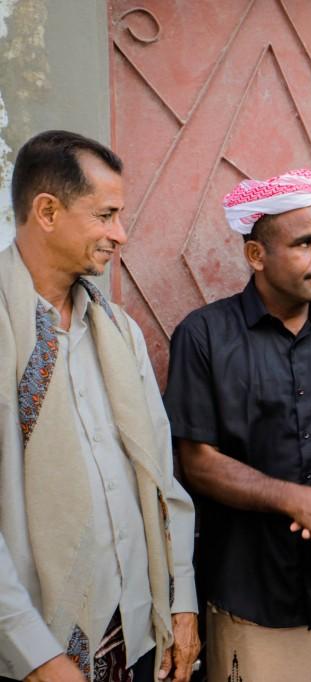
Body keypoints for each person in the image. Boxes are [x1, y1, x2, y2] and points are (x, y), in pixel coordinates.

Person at [162, 169, 311, 681]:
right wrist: (297, 500)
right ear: (256, 255)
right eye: (305, 244)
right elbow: (197, 464)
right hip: (249, 601)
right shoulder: (203, 337)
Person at [0, 130, 198, 682]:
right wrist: (35, 654)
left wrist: (181, 600)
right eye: (106, 215)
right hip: (36, 651)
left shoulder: (119, 331)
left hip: (138, 634)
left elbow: (162, 478)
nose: (120, 234)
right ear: (47, 211)